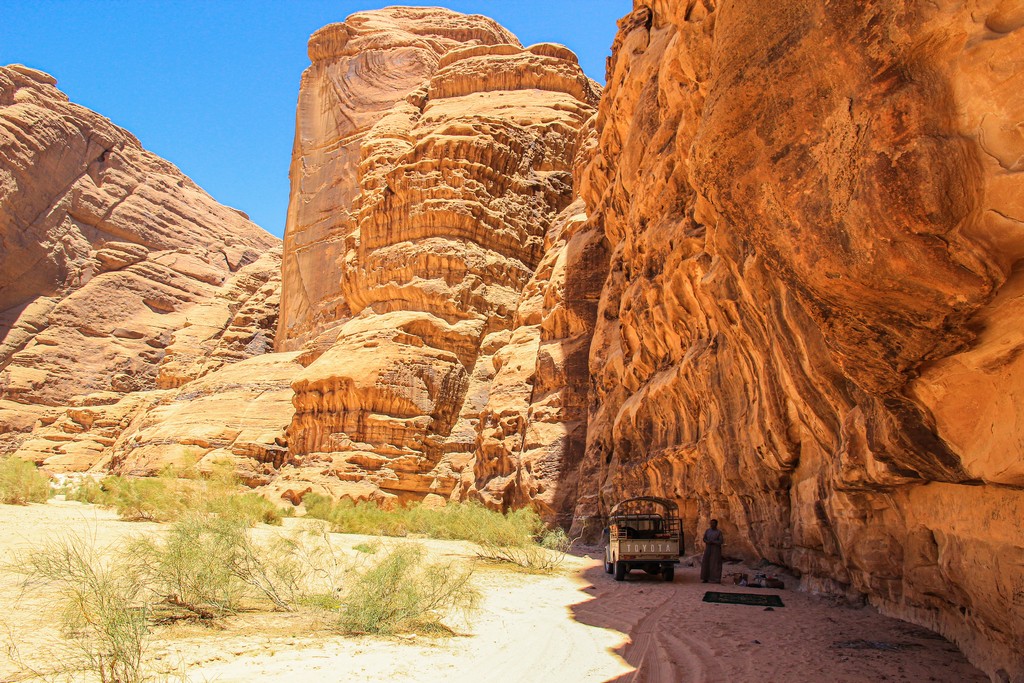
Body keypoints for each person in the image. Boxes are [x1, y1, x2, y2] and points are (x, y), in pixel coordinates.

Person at [700, 519, 724, 583]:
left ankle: (716, 579)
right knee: (706, 562)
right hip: (708, 548)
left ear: (716, 524)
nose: (712, 525)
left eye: (713, 523)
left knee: (715, 563)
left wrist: (713, 542)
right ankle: (705, 578)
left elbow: (721, 541)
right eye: (711, 523)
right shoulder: (707, 531)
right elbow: (704, 539)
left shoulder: (718, 532)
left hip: (716, 550)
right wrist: (707, 541)